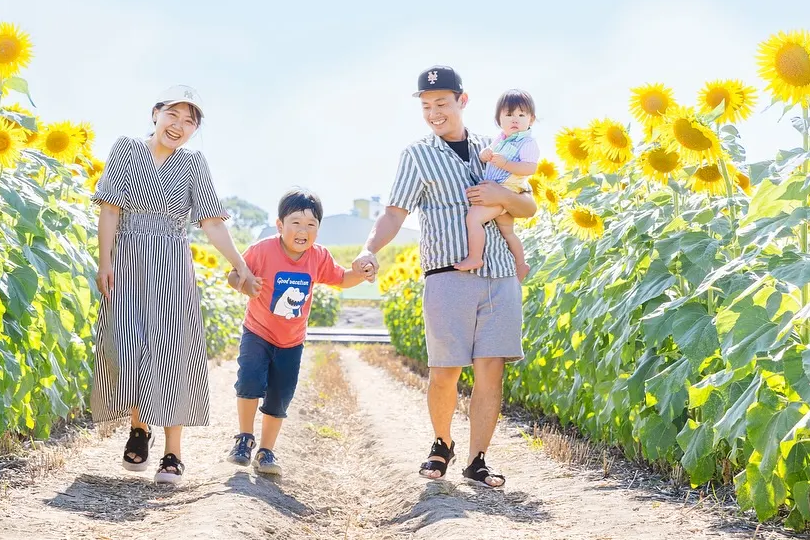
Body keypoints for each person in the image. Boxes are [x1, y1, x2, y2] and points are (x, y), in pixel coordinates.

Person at [353, 67, 535, 489]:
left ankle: (478, 460)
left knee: (491, 370)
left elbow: (528, 207)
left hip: (500, 272)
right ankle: (442, 443)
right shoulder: (417, 155)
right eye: (426, 105)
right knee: (445, 370)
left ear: (462, 101)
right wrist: (369, 249)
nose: (434, 112)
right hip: (448, 273)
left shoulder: (497, 146)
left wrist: (501, 197)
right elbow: (395, 211)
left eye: (442, 103)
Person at [91, 86, 261, 486]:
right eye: (173, 115)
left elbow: (212, 222)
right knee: (129, 343)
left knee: (171, 349)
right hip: (128, 258)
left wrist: (240, 265)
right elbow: (110, 209)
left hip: (171, 261)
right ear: (155, 114)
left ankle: (173, 452)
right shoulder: (126, 149)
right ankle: (139, 426)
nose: (179, 126)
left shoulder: (193, 163)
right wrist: (104, 261)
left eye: (190, 121)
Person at [225, 189, 368, 478]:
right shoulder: (263, 250)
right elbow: (233, 274)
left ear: (318, 229)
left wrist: (362, 273)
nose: (303, 230)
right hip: (258, 331)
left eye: (311, 224)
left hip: (291, 341)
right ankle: (244, 438)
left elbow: (341, 278)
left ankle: (266, 450)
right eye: (296, 223)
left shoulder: (318, 256)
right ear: (280, 225)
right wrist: (244, 286)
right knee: (249, 381)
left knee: (280, 396)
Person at [455, 89, 537, 279]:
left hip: (505, 190)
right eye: (509, 114)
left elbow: (530, 168)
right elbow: (489, 153)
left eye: (521, 115)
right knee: (508, 232)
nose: (514, 119)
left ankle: (475, 257)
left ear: (531, 119)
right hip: (499, 190)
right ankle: (521, 264)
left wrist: (507, 164)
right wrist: (485, 154)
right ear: (498, 119)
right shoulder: (501, 139)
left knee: (474, 219)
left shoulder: (527, 143)